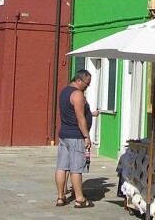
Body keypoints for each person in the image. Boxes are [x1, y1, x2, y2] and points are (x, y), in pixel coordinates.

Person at [55, 70, 96, 208]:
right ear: (79, 80)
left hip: (64, 134)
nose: (87, 86)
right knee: (76, 168)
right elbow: (79, 117)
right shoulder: (77, 94)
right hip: (75, 135)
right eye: (87, 83)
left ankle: (61, 197)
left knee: (61, 166)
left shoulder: (64, 91)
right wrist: (86, 136)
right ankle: (80, 199)